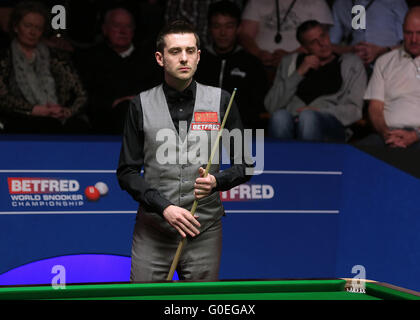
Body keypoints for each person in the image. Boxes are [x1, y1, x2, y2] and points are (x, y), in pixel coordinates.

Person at [117, 20, 253, 282]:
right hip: (154, 231)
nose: (184, 58)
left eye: (190, 51)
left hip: (204, 231)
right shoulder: (140, 105)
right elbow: (127, 171)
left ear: (199, 56)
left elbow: (245, 164)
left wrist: (217, 181)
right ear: (160, 58)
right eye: (175, 51)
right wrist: (163, 207)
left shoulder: (223, 101)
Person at [264, 20, 367, 142]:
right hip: (292, 120)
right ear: (305, 48)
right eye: (314, 42)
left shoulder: (351, 64)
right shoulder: (289, 63)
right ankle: (281, 161)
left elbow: (355, 109)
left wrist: (318, 112)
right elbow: (271, 105)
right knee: (279, 117)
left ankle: (308, 160)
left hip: (330, 123)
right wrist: (299, 73)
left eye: (323, 36)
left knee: (308, 117)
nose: (322, 44)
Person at [0, 1, 89, 134]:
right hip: (20, 117)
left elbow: (81, 94)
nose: (32, 32)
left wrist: (66, 111)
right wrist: (34, 110)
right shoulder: (4, 57)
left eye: (38, 27)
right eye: (28, 26)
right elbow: (2, 97)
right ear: (16, 27)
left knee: (77, 126)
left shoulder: (57, 57)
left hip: (58, 116)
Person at [76, 7, 161, 134]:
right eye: (117, 25)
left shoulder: (149, 58)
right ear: (105, 29)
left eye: (128, 26)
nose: (123, 31)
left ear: (134, 31)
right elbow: (85, 96)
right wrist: (114, 102)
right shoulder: (91, 58)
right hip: (106, 120)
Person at [194, 0, 269, 131]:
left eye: (229, 26)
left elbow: (258, 106)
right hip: (201, 129)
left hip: (240, 129)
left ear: (238, 28)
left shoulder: (251, 63)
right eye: (217, 26)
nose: (223, 33)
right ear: (210, 28)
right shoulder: (197, 61)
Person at [356, 7, 420, 149]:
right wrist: (386, 134)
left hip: (419, 136)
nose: (414, 39)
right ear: (402, 31)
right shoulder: (384, 61)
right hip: (387, 134)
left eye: (419, 33)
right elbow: (375, 108)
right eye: (409, 33)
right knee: (354, 156)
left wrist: (416, 135)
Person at [237, 0, 333, 68]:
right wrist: (258, 53)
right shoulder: (257, 1)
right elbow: (245, 35)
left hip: (299, 64)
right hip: (258, 62)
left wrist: (289, 58)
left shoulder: (317, 2)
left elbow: (321, 40)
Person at [329, 0, 407, 69]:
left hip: (391, 66)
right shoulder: (340, 4)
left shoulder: (395, 2)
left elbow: (411, 43)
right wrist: (351, 50)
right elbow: (329, 46)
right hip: (354, 68)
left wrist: (382, 51)